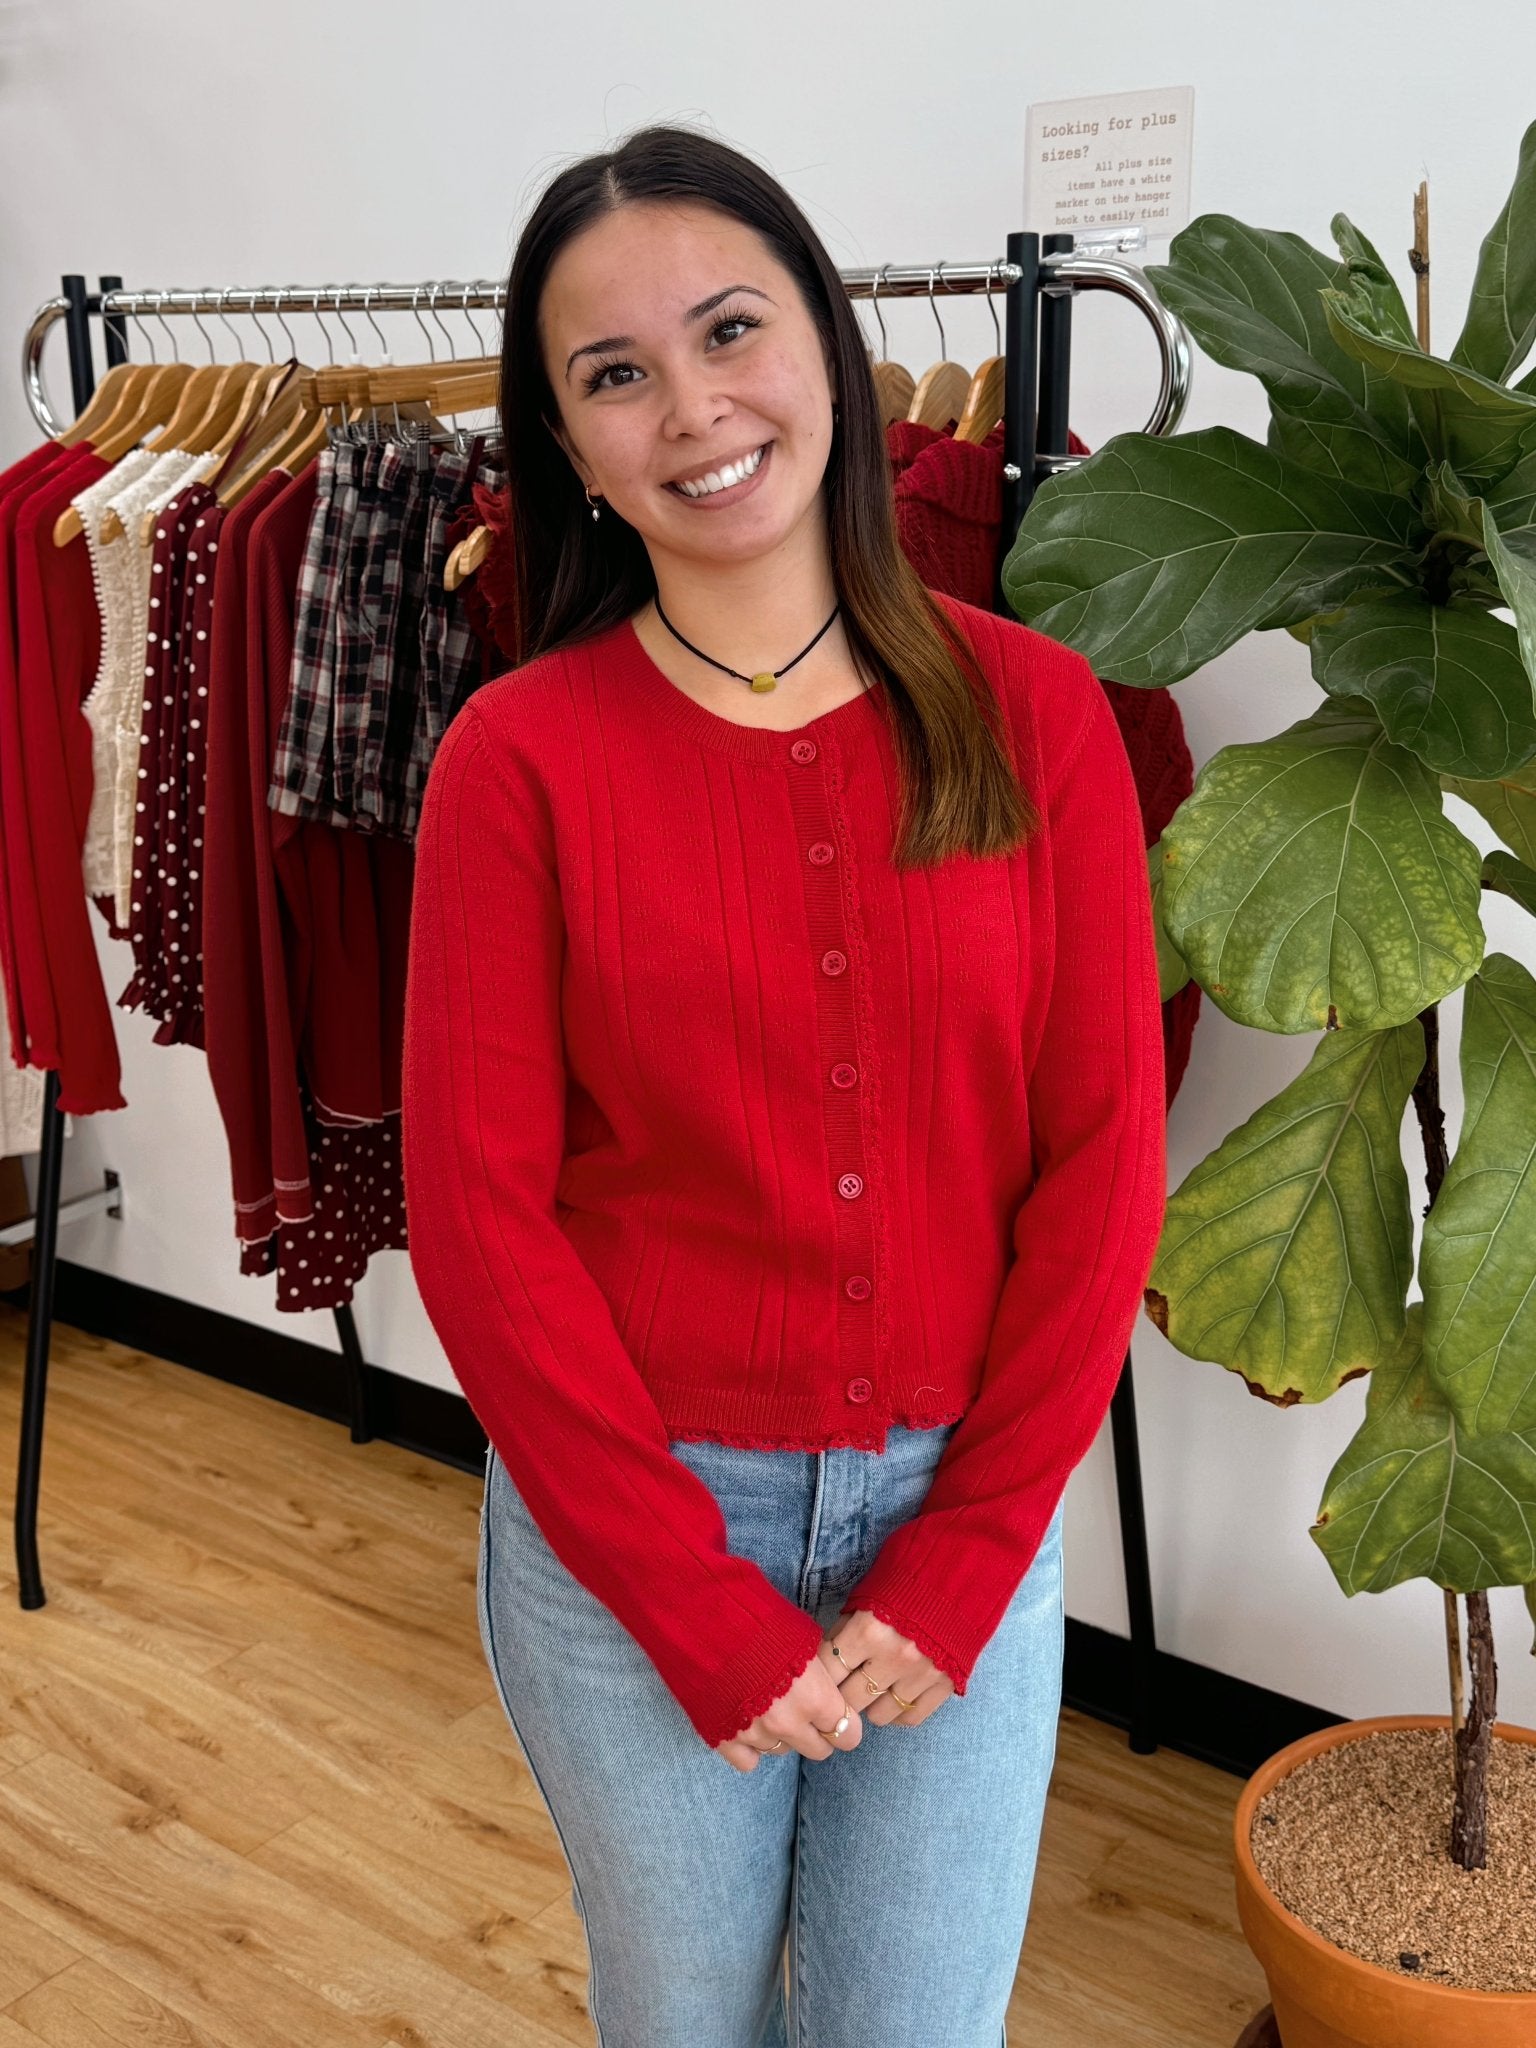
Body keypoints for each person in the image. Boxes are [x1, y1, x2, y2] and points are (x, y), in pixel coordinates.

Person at [401, 121, 1167, 2048]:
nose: (693, 408)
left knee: (915, 2024)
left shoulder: (1037, 715)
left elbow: (1101, 1164)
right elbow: (481, 1223)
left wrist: (976, 1545)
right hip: (632, 1521)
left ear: (825, 344)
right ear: (567, 446)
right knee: (684, 2016)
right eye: (615, 375)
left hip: (959, 1511)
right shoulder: (520, 758)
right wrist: (693, 1597)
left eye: (730, 329)